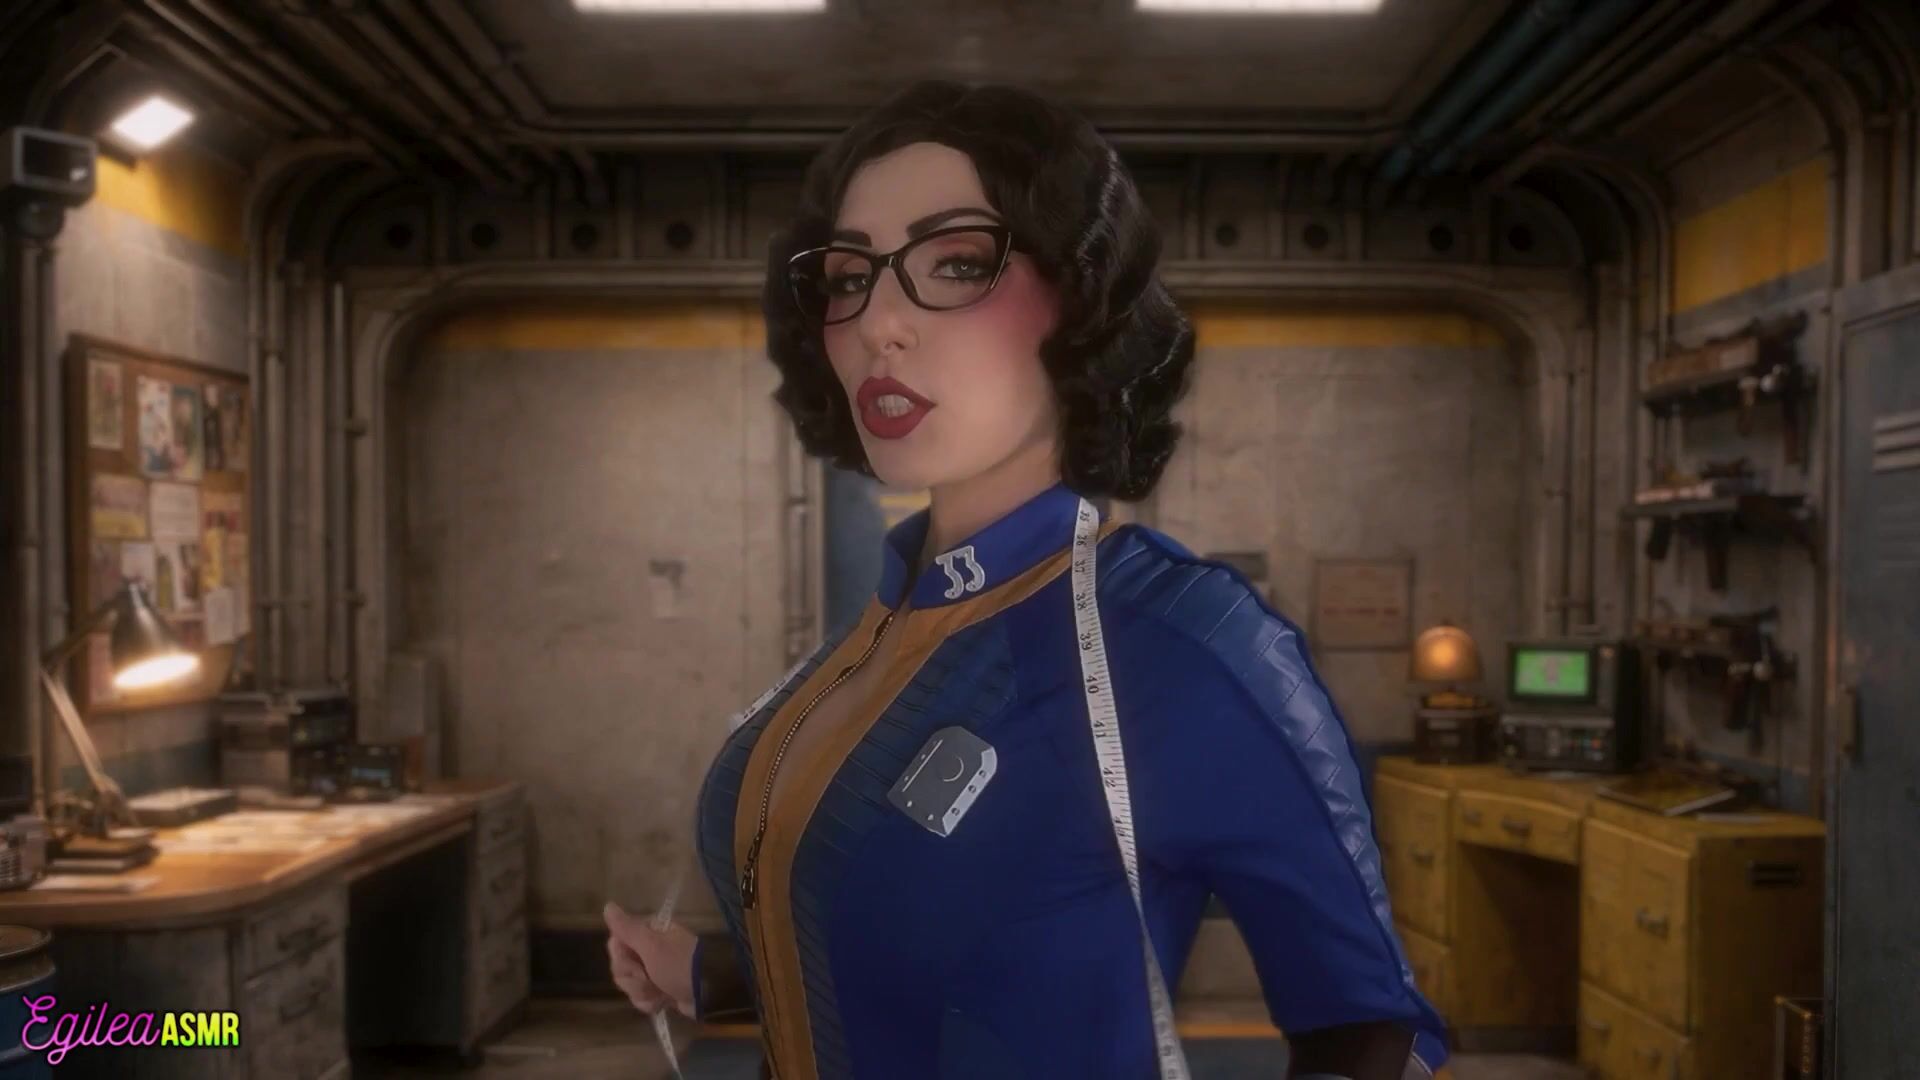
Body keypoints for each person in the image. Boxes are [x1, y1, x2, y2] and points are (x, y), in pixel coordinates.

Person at [604, 80, 1450, 1080]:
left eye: (958, 263)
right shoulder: (876, 635)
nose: (879, 323)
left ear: (1082, 299)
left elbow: (1371, 1032)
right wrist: (705, 974)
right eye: (847, 277)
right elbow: (928, 942)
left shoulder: (1178, 642)